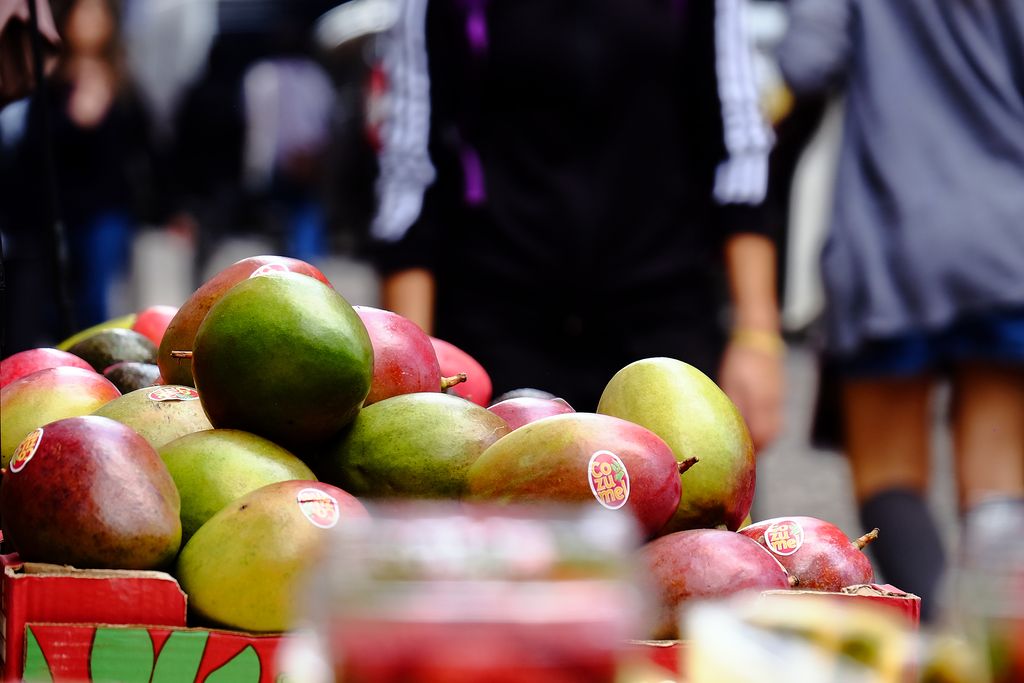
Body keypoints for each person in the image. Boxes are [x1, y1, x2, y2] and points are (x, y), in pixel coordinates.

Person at [367, 0, 784, 451]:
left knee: (693, 510)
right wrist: (412, 374)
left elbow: (739, 152)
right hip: (495, 328)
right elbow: (409, 173)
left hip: (664, 328)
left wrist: (757, 339)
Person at [777, 0, 1024, 621]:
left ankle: (946, 642)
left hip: (893, 235)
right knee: (998, 490)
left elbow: (806, 61)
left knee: (890, 478)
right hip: (1005, 232)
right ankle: (993, 653)